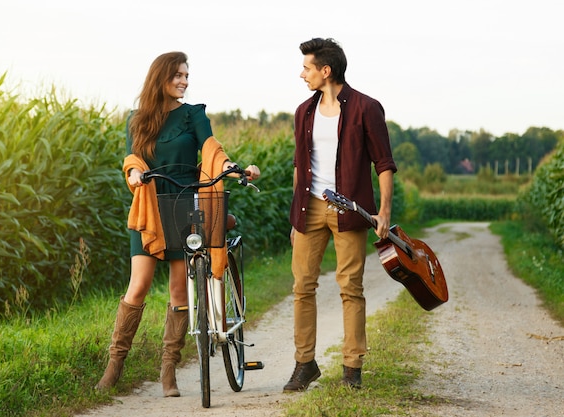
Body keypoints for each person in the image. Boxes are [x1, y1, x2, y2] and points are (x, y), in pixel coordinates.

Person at [95, 51, 261, 397]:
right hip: (150, 206)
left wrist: (232, 165)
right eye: (178, 76)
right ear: (161, 77)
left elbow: (211, 147)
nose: (184, 81)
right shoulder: (136, 118)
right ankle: (114, 366)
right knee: (137, 286)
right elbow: (132, 157)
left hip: (186, 205)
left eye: (186, 75)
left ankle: (168, 370)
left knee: (177, 290)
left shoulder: (193, 114)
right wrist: (135, 172)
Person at [283, 38, 397, 392]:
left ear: (325, 71)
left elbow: (384, 164)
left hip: (349, 210)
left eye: (307, 67)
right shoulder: (304, 111)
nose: (302, 74)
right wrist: (295, 218)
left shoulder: (366, 108)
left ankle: (352, 368)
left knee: (351, 288)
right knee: (302, 286)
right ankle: (305, 364)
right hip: (310, 207)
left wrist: (383, 212)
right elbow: (300, 166)